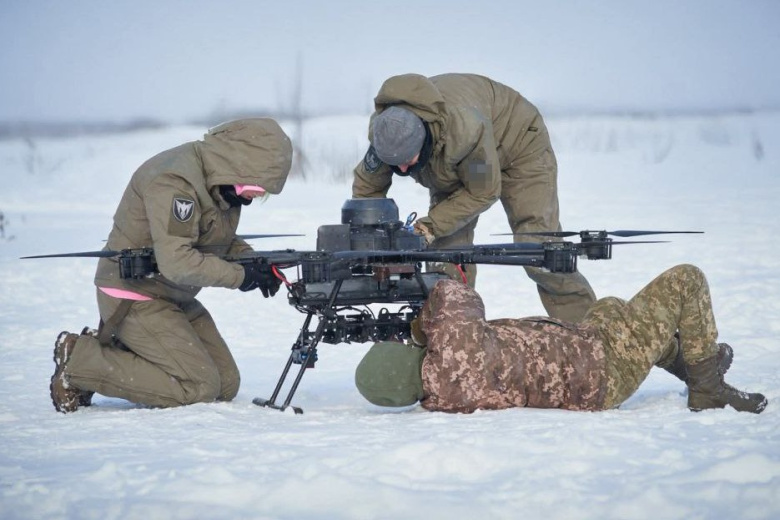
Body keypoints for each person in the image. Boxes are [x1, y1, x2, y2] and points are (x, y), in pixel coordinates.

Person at [50, 118, 293, 413]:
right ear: (237, 163)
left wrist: (257, 265)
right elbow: (177, 261)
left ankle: (127, 349)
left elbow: (217, 240)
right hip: (135, 297)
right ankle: (81, 362)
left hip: (174, 296)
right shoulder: (175, 182)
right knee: (198, 388)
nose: (256, 195)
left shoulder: (220, 183)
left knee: (225, 385)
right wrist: (241, 276)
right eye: (256, 186)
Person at [355, 264, 768, 415]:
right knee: (686, 279)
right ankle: (708, 388)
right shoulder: (451, 350)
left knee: (609, 307)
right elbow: (455, 292)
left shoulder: (441, 396)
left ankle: (693, 363)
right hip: (603, 366)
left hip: (587, 357)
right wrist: (419, 325)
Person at [352, 72, 596, 322]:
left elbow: (483, 191)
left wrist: (429, 226)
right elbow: (367, 188)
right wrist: (369, 240)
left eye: (407, 161)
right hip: (453, 166)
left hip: (518, 144)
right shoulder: (387, 133)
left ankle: (588, 329)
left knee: (539, 249)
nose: (402, 169)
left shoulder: (464, 132)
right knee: (445, 260)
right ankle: (454, 335)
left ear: (423, 141)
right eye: (395, 164)